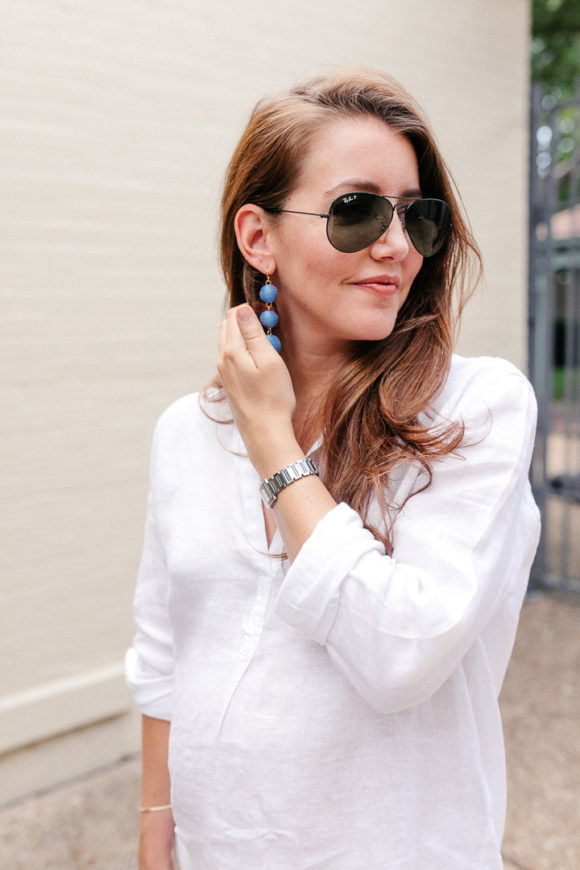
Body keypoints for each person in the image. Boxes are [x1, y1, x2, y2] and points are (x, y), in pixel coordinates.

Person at [125, 69, 540, 870]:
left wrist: (275, 448)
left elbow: (402, 652)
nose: (395, 245)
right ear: (258, 237)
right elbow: (164, 648)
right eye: (355, 211)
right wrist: (155, 823)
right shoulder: (185, 432)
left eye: (416, 215)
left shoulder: (476, 409)